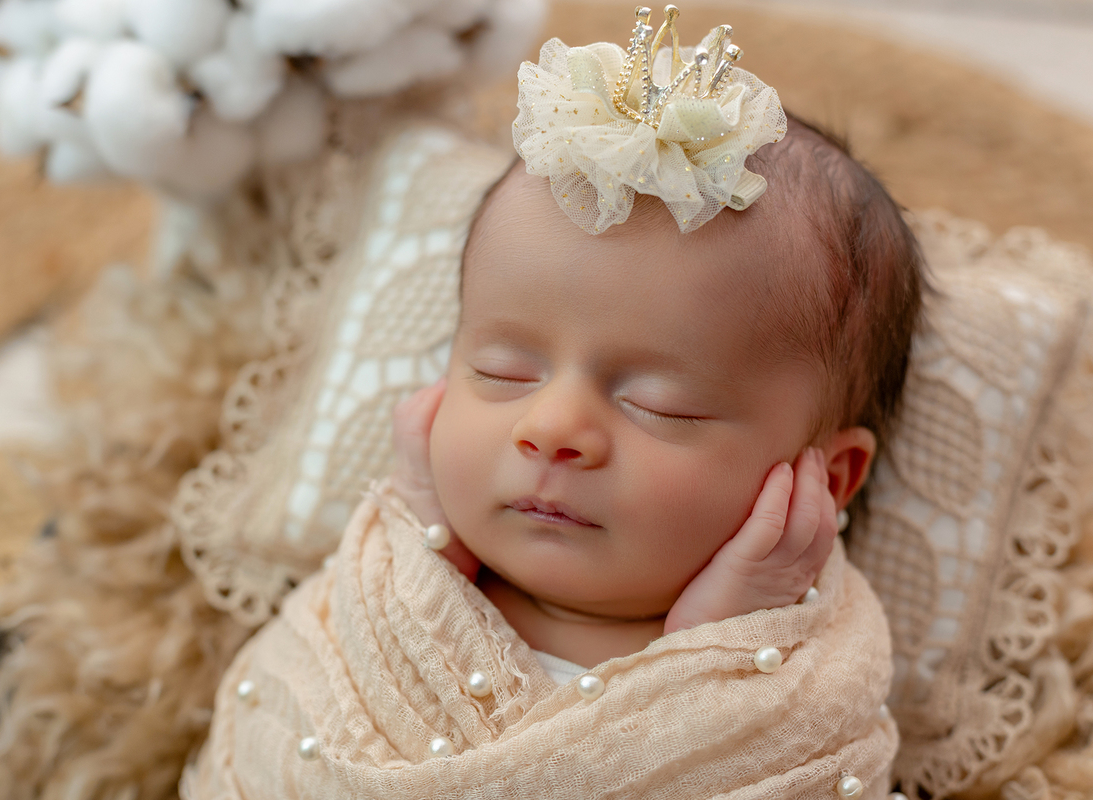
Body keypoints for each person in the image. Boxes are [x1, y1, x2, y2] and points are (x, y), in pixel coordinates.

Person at [184, 8, 922, 798]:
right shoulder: (386, 596)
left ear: (830, 479)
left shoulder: (793, 699)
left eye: (661, 406)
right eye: (502, 373)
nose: (552, 429)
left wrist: (717, 655)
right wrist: (423, 536)